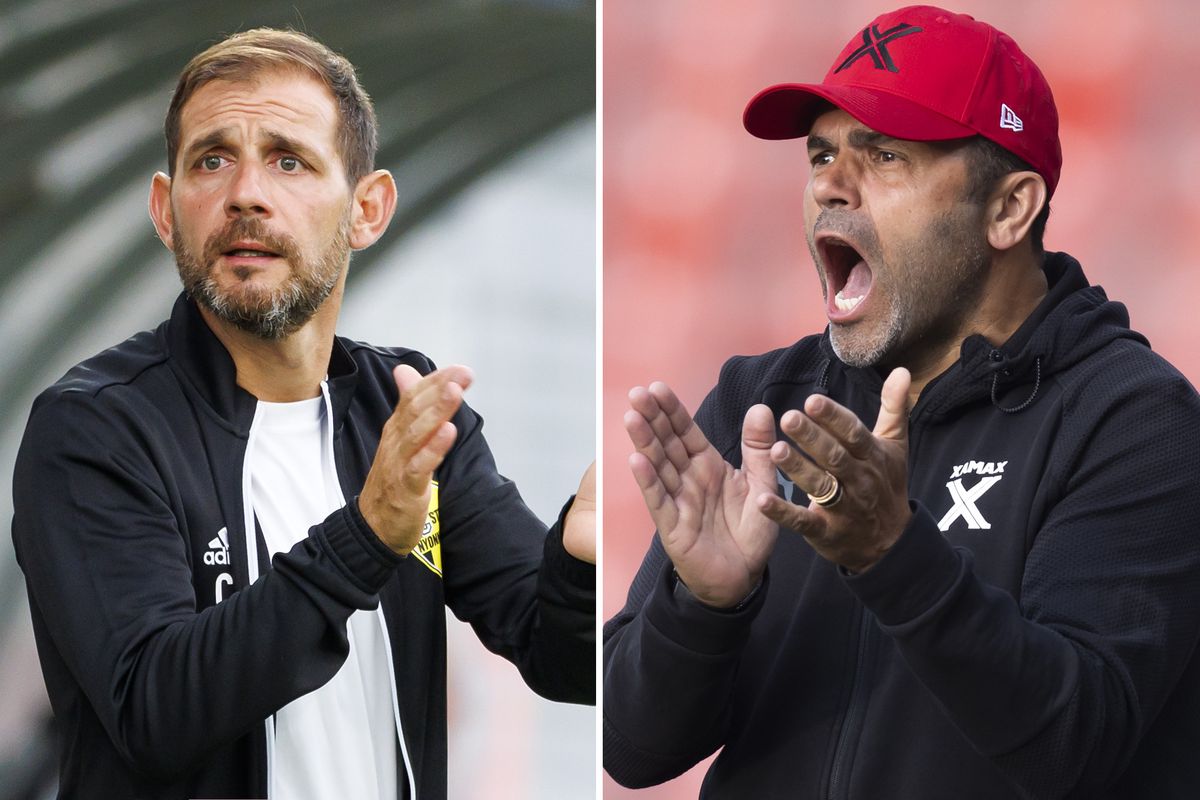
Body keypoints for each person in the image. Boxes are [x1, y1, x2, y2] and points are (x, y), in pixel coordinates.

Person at [603, 5, 1200, 798]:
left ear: (1008, 209)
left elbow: (1074, 745)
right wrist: (704, 606)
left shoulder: (1134, 421)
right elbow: (631, 750)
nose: (828, 186)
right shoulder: (764, 404)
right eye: (820, 154)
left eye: (883, 155)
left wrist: (893, 557)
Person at [12, 28, 595, 800]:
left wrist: (581, 565)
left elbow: (562, 657)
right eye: (211, 159)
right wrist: (365, 539)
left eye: (289, 160)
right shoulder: (98, 428)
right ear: (165, 209)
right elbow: (155, 711)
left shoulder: (406, 412)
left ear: (368, 210)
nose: (245, 192)